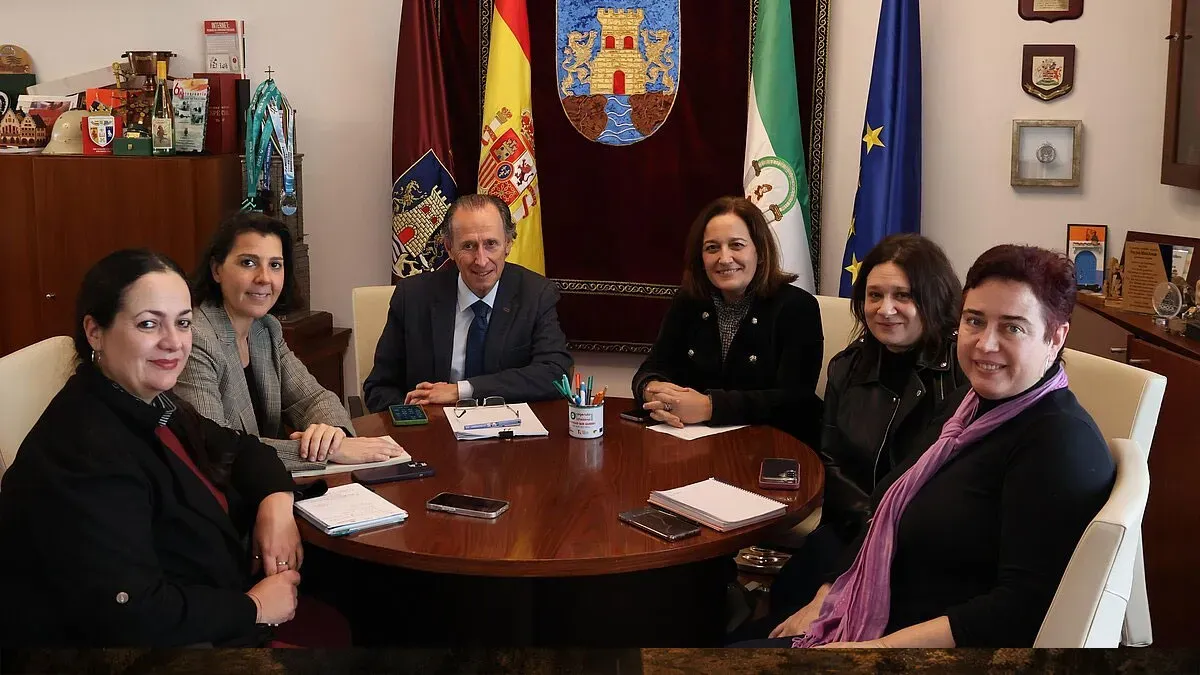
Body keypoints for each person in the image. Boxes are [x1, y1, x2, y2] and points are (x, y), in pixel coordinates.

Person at [758, 244, 1114, 648]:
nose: (984, 344)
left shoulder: (1057, 442)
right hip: (872, 614)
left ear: (1056, 336)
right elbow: (885, 505)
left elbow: (1024, 610)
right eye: (974, 321)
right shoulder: (968, 406)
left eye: (1012, 327)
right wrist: (828, 595)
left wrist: (867, 652)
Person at [0, 249, 349, 647]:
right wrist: (253, 607)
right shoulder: (86, 449)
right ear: (95, 331)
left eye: (183, 323)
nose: (173, 343)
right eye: (149, 324)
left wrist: (276, 503)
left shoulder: (151, 401)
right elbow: (131, 610)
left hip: (214, 595)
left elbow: (244, 449)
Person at [176, 213, 405, 472]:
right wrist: (326, 453)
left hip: (270, 488)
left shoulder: (266, 329)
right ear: (217, 270)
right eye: (248, 263)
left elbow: (314, 398)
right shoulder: (195, 338)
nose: (264, 278)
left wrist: (331, 434)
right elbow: (214, 448)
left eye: (275, 265)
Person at [631, 196, 823, 443]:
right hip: (698, 444)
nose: (724, 258)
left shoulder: (797, 307)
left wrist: (711, 407)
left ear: (760, 251)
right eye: (712, 248)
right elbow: (654, 366)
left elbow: (795, 399)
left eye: (737, 245)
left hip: (775, 447)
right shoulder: (689, 301)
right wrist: (651, 390)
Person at [363, 193, 572, 411]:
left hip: (508, 435)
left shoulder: (536, 293)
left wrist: (461, 390)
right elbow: (379, 387)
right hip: (432, 432)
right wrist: (416, 417)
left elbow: (555, 374)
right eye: (469, 246)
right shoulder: (413, 297)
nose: (481, 261)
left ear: (508, 244)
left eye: (491, 244)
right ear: (449, 248)